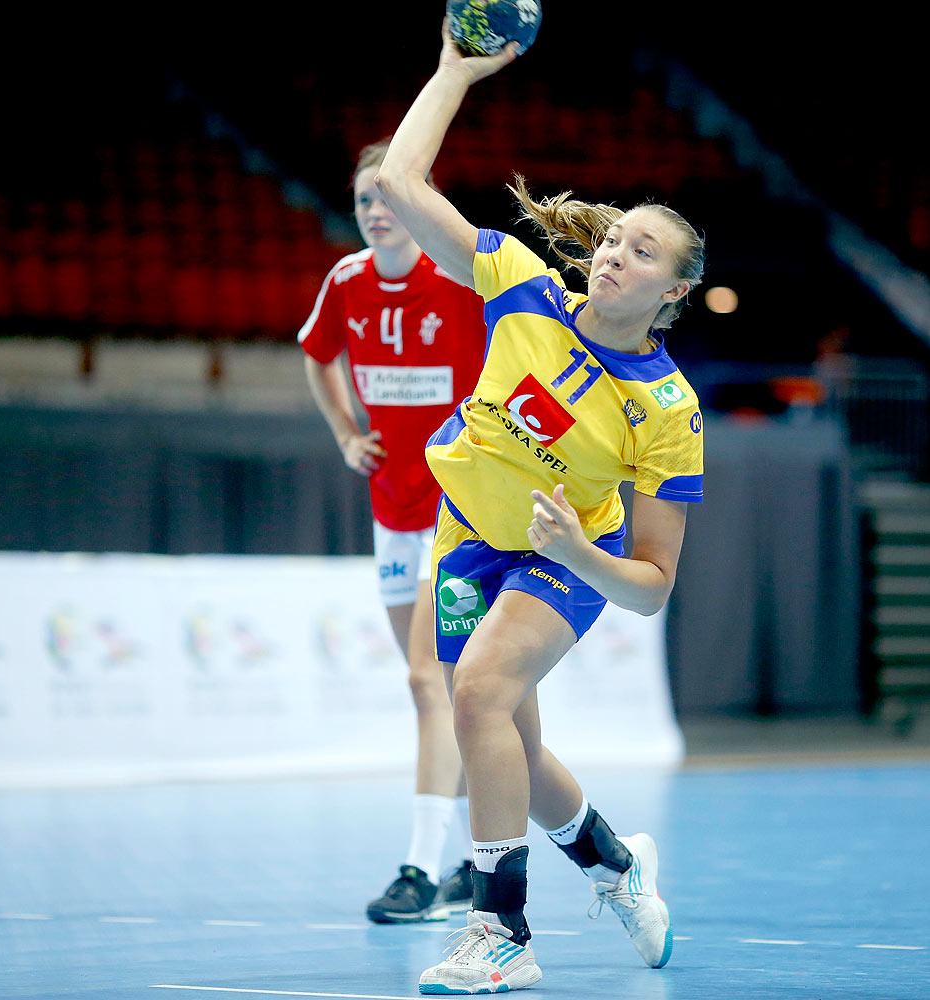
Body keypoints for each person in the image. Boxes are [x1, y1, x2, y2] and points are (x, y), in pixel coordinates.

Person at [374, 24, 706, 994]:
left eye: (642, 252)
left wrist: (578, 550)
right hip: (471, 536)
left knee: (473, 691)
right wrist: (451, 71)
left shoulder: (666, 409)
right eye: (612, 239)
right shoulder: (519, 287)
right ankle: (611, 862)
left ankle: (502, 930)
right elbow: (398, 185)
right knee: (509, 739)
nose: (614, 255)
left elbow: (649, 588)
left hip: (570, 554)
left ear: (674, 288)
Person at [298, 139, 488, 923]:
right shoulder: (345, 282)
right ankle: (485, 859)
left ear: (417, 199)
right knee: (448, 692)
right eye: (362, 201)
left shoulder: (457, 282)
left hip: (457, 508)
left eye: (386, 196)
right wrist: (346, 431)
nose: (375, 211)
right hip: (391, 508)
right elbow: (316, 356)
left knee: (426, 682)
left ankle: (417, 868)